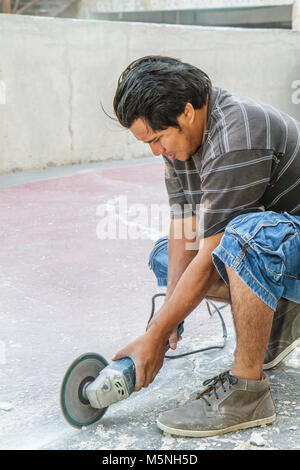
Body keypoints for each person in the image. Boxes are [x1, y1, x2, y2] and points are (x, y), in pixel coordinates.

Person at [111, 55, 300, 437]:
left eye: (157, 139)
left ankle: (248, 390)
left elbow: (215, 254)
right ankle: (282, 319)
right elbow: (184, 232)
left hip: (282, 244)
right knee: (167, 254)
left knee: (243, 238)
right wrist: (166, 319)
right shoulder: (183, 146)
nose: (155, 150)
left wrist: (155, 337)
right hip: (287, 250)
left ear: (186, 112)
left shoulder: (237, 137)